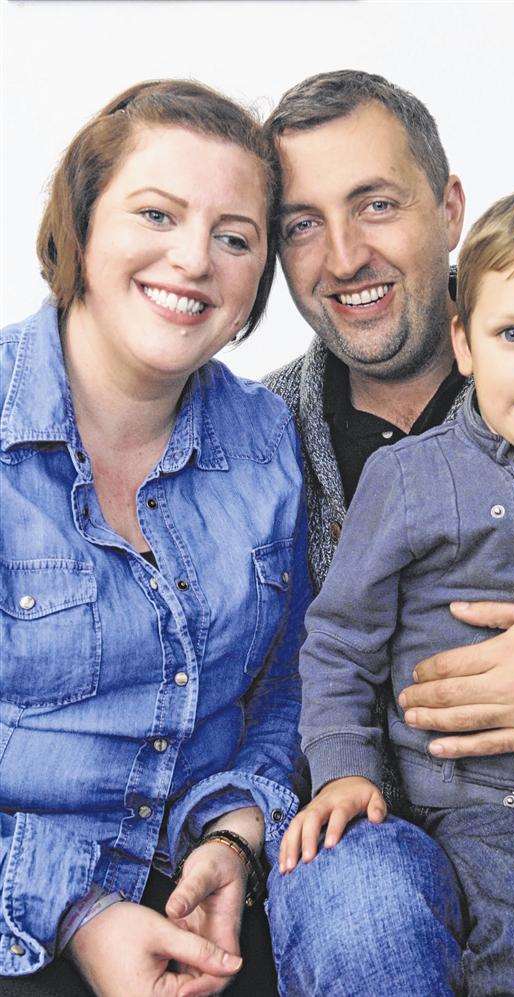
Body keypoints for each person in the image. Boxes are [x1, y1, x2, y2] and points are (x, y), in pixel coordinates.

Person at [262, 71, 514, 993]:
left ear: (449, 208)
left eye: (376, 204)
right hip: (388, 838)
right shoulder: (262, 433)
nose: (345, 254)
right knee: (364, 911)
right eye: (302, 223)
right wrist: (337, 773)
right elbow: (292, 667)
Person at [0, 80, 310, 997]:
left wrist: (233, 835)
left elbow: (290, 683)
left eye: (234, 236)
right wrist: (79, 913)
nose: (193, 260)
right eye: (156, 213)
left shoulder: (264, 439)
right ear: (81, 223)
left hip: (201, 897)